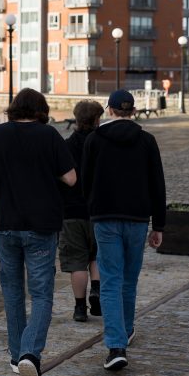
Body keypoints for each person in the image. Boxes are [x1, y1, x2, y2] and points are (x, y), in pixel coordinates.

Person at [0, 88, 75, 376]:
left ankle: (16, 353)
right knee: (42, 293)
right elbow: (71, 178)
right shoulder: (49, 135)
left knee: (12, 291)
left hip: (6, 222)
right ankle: (30, 353)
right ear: (40, 109)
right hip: (41, 225)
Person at [81, 89, 166, 373]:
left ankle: (116, 346)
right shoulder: (147, 141)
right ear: (133, 111)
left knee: (110, 280)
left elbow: (85, 182)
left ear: (109, 110)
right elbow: (157, 184)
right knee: (129, 279)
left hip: (105, 217)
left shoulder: (94, 140)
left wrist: (92, 208)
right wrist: (159, 225)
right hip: (138, 218)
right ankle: (126, 330)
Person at [59, 100, 103, 322]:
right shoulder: (103, 145)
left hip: (71, 211)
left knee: (77, 261)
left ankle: (79, 308)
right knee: (97, 254)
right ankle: (96, 289)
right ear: (96, 120)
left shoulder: (66, 146)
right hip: (98, 210)